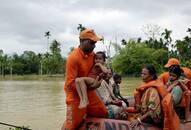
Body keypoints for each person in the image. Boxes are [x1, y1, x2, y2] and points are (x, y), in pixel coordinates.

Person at [61, 28, 108, 130]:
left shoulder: (93, 55)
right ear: (82, 41)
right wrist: (93, 85)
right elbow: (71, 84)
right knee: (70, 126)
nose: (94, 45)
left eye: (95, 43)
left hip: (89, 92)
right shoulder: (73, 58)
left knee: (103, 113)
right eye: (91, 42)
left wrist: (105, 75)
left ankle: (85, 117)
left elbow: (98, 68)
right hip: (75, 96)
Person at [121, 65, 180, 130]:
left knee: (131, 118)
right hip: (145, 112)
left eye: (144, 74)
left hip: (153, 117)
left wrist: (138, 119)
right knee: (125, 114)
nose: (142, 75)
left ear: (151, 76)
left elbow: (152, 111)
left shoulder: (153, 89)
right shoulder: (146, 85)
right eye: (141, 73)